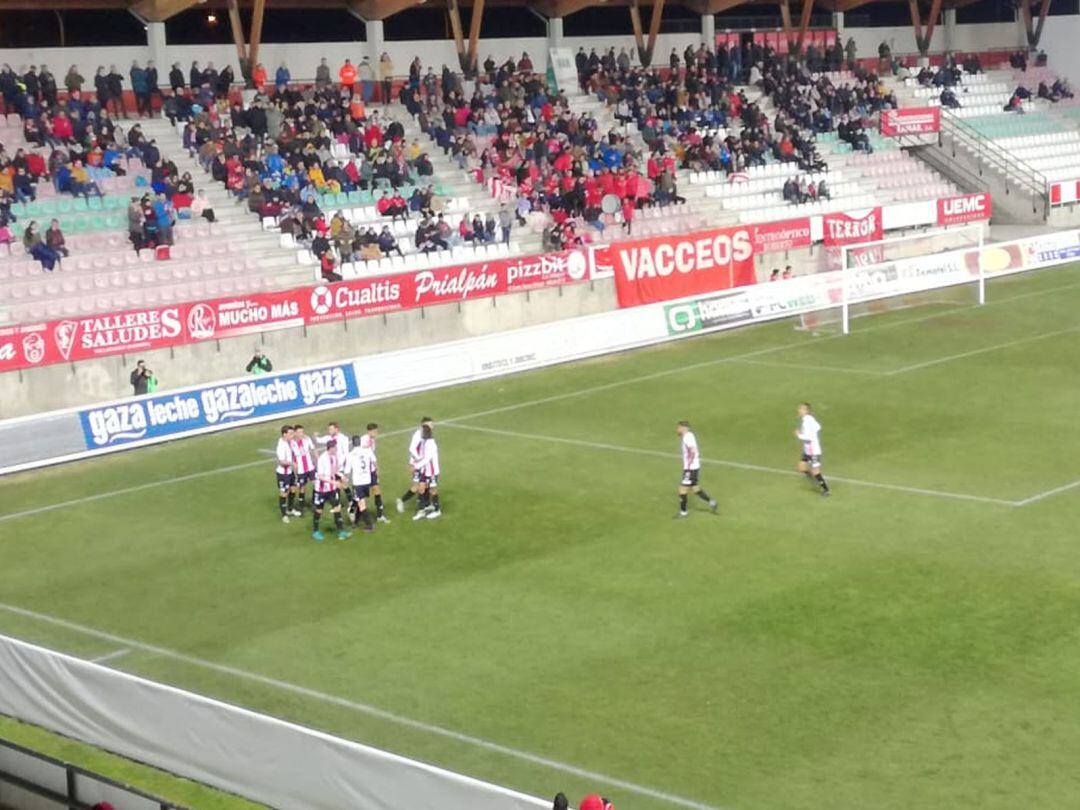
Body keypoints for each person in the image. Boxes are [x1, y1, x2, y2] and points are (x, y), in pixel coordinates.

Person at [311, 438, 351, 542]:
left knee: (337, 508)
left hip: (332, 489)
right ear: (330, 448)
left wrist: (342, 476)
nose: (337, 450)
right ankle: (315, 531)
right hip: (321, 490)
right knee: (319, 510)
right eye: (335, 448)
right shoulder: (322, 459)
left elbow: (335, 471)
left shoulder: (335, 457)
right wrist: (334, 482)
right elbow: (320, 476)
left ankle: (340, 530)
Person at [676, 420, 717, 518]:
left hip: (690, 468)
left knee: (682, 489)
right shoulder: (689, 435)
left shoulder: (687, 437)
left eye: (678, 427)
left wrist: (689, 464)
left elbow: (693, 450)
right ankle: (711, 502)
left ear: (683, 428)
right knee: (695, 488)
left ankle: (683, 512)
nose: (677, 430)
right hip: (694, 467)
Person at [397, 416, 433, 516]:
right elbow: (412, 449)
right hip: (416, 464)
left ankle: (425, 504)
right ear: (423, 424)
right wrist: (418, 460)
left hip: (421, 464)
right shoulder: (418, 434)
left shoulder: (426, 434)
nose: (432, 426)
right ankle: (401, 500)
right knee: (417, 486)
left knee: (425, 484)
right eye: (430, 424)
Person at [344, 433, 377, 533]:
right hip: (367, 480)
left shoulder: (350, 455)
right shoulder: (367, 451)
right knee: (358, 501)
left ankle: (369, 525)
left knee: (361, 503)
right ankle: (356, 521)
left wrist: (343, 479)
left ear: (352, 444)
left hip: (358, 482)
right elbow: (374, 462)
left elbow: (347, 471)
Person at [795, 402, 830, 497]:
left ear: (807, 411)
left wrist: (799, 435)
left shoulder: (807, 422)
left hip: (813, 451)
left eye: (801, 409)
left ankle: (825, 489)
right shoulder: (810, 419)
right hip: (807, 450)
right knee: (801, 468)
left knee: (816, 471)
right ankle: (815, 480)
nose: (799, 410)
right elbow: (818, 427)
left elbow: (809, 437)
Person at [359, 422, 390, 523]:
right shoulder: (364, 440)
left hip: (371, 470)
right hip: (364, 472)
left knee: (376, 490)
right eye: (375, 431)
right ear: (369, 431)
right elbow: (364, 453)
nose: (376, 433)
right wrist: (376, 466)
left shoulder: (372, 439)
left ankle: (380, 515)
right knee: (361, 495)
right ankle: (354, 511)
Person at [415, 423, 441, 520]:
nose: (420, 432)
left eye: (421, 431)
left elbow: (427, 459)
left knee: (432, 490)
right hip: (424, 470)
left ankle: (437, 510)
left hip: (432, 471)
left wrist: (416, 466)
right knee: (421, 488)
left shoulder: (431, 444)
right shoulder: (424, 442)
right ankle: (421, 511)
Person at [290, 424, 316, 514]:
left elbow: (313, 449)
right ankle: (301, 505)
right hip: (301, 469)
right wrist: (294, 468)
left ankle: (314, 502)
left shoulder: (307, 439)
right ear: (295, 433)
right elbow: (292, 457)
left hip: (310, 467)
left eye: (302, 432)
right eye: (299, 432)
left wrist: (316, 459)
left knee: (316, 484)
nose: (301, 434)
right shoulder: (291, 443)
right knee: (302, 487)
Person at [275, 425, 298, 523]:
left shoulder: (290, 442)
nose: (292, 435)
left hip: (290, 472)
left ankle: (290, 509)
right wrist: (292, 463)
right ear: (284, 434)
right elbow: (281, 462)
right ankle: (284, 515)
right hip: (283, 474)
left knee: (293, 489)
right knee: (284, 493)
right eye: (290, 434)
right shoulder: (281, 446)